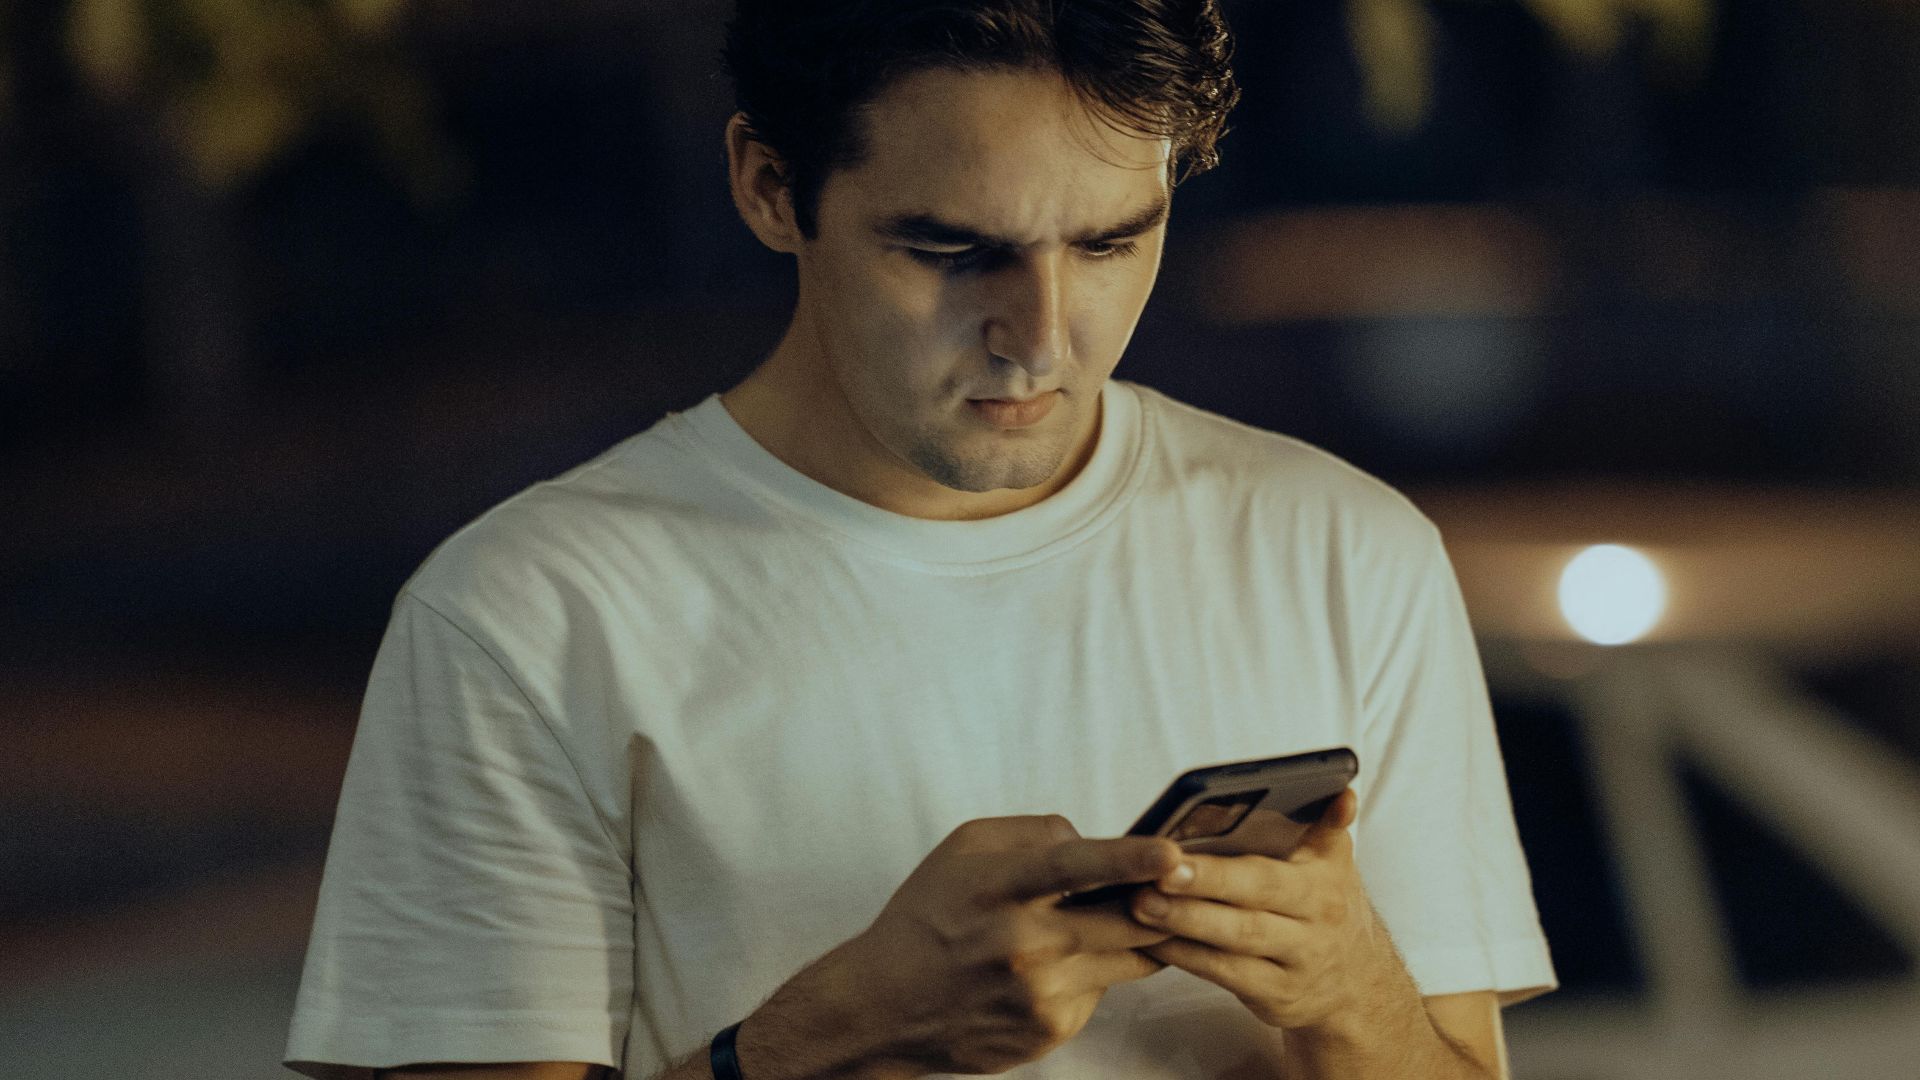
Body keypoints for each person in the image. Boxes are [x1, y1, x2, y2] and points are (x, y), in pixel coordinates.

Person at [283, 2, 1557, 1078]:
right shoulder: (525, 619)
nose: (1044, 337)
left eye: (1111, 240)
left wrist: (1350, 994)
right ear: (771, 187)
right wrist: (836, 1036)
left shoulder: (1346, 552)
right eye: (955, 251)